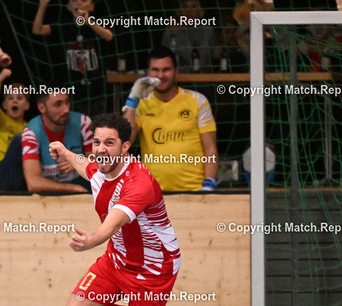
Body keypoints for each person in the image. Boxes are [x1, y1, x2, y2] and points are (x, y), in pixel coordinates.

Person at [49, 113, 181, 306]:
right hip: (117, 259)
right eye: (97, 142)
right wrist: (66, 152)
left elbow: (114, 222)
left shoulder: (138, 183)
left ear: (125, 147)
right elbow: (86, 167)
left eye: (110, 143)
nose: (101, 149)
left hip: (153, 268)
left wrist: (91, 240)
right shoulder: (101, 168)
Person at [123, 46, 219, 192]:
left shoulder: (198, 100)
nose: (160, 75)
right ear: (148, 73)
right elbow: (126, 140)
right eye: (155, 70)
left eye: (166, 69)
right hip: (153, 193)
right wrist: (132, 101)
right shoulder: (141, 104)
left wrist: (209, 182)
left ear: (176, 72)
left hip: (193, 191)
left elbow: (210, 149)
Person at [32, 0, 113, 116]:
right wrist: (43, 5)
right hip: (72, 91)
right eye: (74, 0)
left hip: (97, 91)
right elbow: (37, 30)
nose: (79, 3)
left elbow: (109, 36)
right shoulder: (64, 25)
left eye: (83, 0)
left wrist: (89, 22)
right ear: (68, 7)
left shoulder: (96, 25)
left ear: (91, 6)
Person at [21, 88, 92, 193]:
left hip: (81, 181)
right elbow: (33, 182)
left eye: (67, 102)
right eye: (58, 104)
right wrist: (73, 189)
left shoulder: (83, 122)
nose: (66, 109)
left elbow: (100, 162)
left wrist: (79, 162)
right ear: (42, 108)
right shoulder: (31, 132)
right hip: (48, 189)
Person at [0, 68, 30, 175]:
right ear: (4, 105)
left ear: (27, 105)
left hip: (21, 172)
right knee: (18, 139)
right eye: (10, 98)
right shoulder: (1, 120)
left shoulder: (29, 128)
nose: (15, 100)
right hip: (1, 171)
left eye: (19, 98)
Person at [161, 0, 215, 73]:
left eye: (193, 7)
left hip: (199, 77)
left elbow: (199, 62)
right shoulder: (171, 29)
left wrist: (179, 36)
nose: (188, 11)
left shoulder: (207, 30)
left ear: (201, 12)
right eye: (185, 7)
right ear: (179, 11)